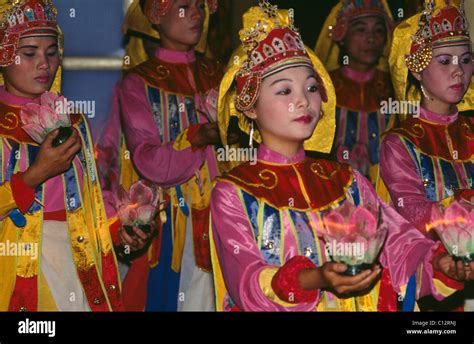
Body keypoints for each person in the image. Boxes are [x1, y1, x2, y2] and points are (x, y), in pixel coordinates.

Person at [209, 0, 474, 312]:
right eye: (284, 91)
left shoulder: (346, 180)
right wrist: (316, 279)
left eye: (310, 88)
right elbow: (247, 284)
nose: (303, 101)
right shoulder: (233, 191)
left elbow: (401, 245)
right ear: (250, 107)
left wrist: (440, 263)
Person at [95, 0, 225, 311]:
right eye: (184, 6)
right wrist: (198, 136)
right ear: (156, 15)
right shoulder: (138, 83)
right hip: (170, 226)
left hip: (226, 217)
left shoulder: (220, 74)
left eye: (200, 5)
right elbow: (149, 161)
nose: (196, 13)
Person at [0, 0, 122, 311]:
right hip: (16, 262)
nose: (44, 63)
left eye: (51, 53)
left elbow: (88, 199)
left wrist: (122, 223)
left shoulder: (72, 121)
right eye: (29, 54)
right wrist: (33, 177)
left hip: (77, 261)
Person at [380, 0, 474, 310]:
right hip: (436, 283)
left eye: (466, 59)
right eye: (445, 60)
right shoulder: (400, 143)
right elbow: (412, 214)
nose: (458, 70)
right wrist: (464, 204)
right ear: (417, 68)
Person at [314, 0, 394, 183]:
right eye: (361, 29)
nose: (371, 39)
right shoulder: (323, 88)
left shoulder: (394, 88)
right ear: (341, 34)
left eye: (379, 30)